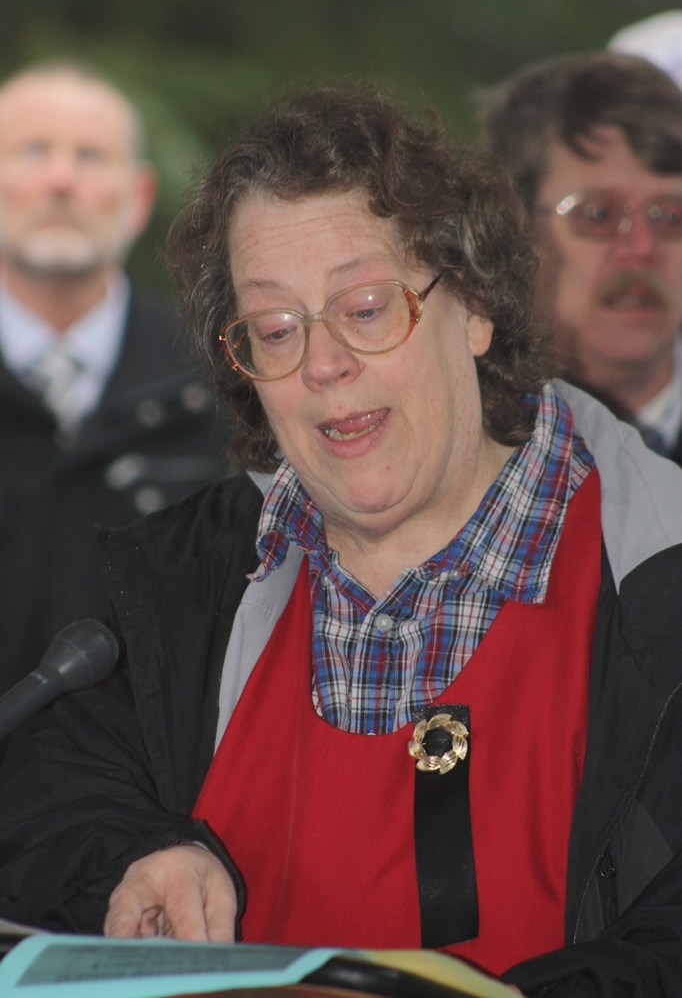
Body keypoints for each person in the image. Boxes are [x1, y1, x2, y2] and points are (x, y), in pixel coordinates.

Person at [0, 82, 681, 998]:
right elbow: (52, 787)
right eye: (275, 330)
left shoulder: (657, 583)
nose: (322, 364)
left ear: (475, 305)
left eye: (366, 308)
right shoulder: (174, 583)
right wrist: (136, 853)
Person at [0, 60, 232, 692]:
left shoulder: (218, 381)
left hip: (147, 784)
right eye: (33, 150)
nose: (61, 179)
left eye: (91, 156)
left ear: (139, 198)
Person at [477, 51, 682, 460]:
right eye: (599, 214)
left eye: (671, 216)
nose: (642, 248)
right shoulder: (461, 451)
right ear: (512, 232)